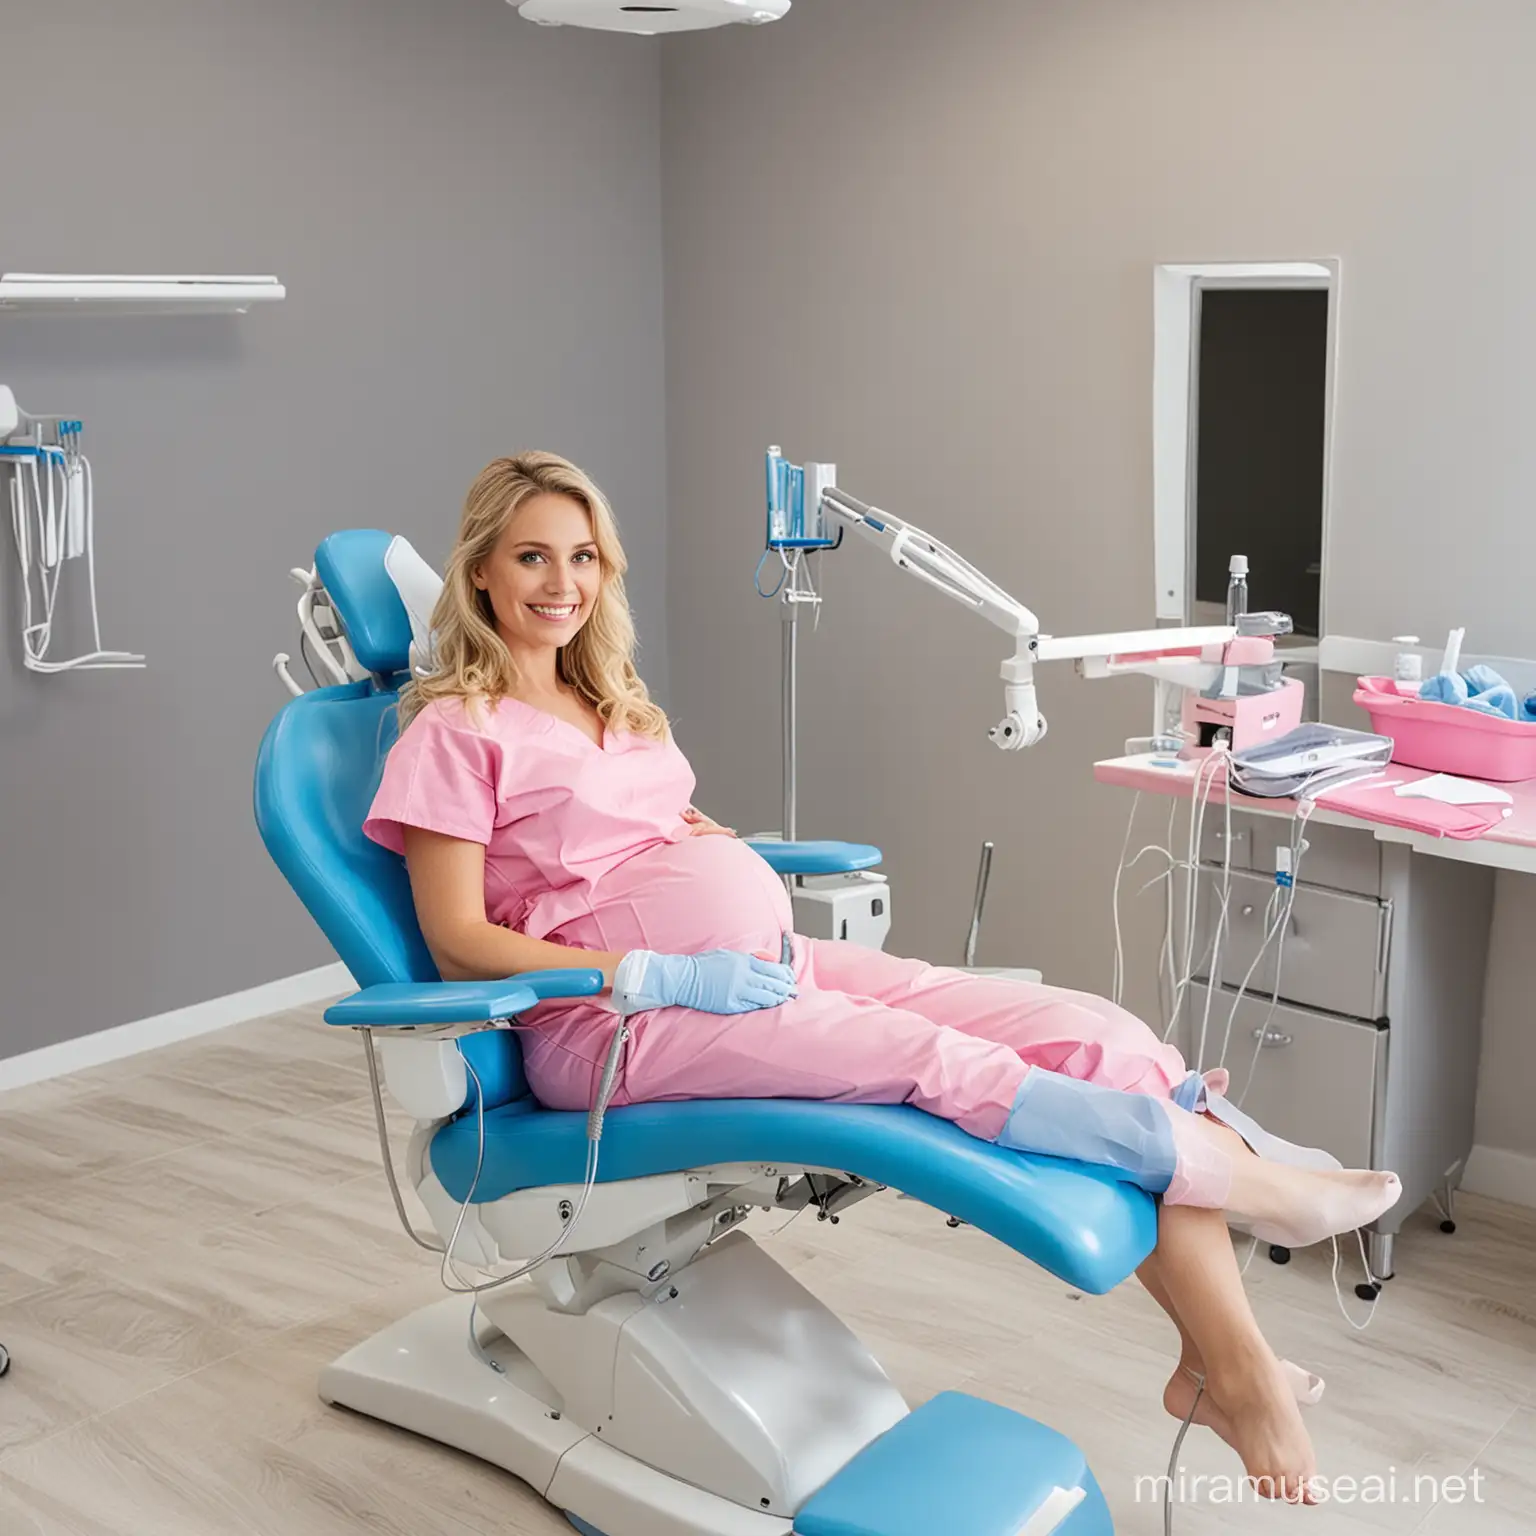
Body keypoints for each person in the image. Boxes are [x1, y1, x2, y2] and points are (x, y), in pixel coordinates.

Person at [364, 451, 1401, 1505]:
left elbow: (632, 832)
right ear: (480, 572)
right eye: (531, 556)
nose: (561, 582)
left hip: (756, 972)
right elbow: (457, 938)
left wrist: (703, 856)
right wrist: (648, 961)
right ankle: (1257, 1193)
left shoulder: (611, 699)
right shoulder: (457, 729)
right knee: (930, 1058)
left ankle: (1222, 1365)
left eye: (582, 557)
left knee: (1088, 1029)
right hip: (622, 1025)